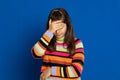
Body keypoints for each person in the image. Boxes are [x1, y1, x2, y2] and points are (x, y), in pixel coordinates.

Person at [31, 8, 85, 80]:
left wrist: (51, 70)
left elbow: (76, 70)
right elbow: (35, 53)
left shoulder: (77, 43)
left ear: (67, 25)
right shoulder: (46, 40)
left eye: (61, 27)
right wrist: (49, 32)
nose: (58, 32)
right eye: (55, 28)